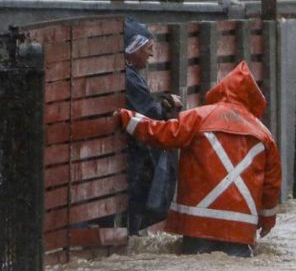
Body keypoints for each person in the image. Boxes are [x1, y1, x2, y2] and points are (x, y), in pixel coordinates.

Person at [115, 61, 281, 257]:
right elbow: (272, 185)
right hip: (240, 229)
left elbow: (161, 134)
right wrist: (267, 220)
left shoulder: (199, 117)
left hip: (197, 224)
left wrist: (127, 118)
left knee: (196, 266)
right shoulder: (264, 134)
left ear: (222, 89)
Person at [123, 17, 183, 235]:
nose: (151, 54)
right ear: (133, 48)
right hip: (132, 158)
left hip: (132, 157)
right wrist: (167, 106)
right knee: (139, 203)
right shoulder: (129, 78)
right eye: (147, 48)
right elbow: (148, 112)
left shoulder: (131, 74)